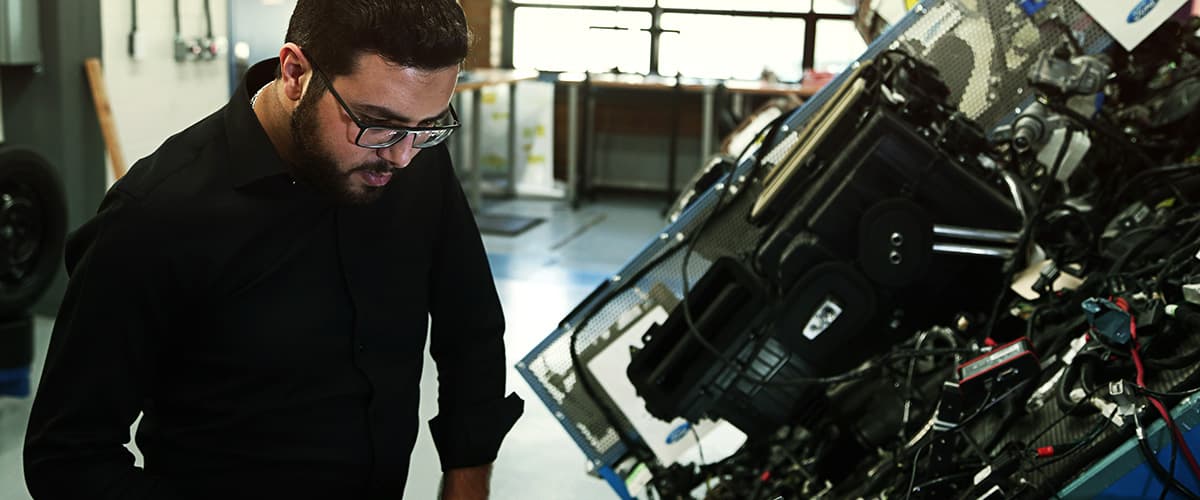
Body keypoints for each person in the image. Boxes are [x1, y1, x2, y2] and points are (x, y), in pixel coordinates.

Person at [23, 1, 522, 498]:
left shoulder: (409, 157)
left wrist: (467, 477)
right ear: (295, 73)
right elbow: (67, 457)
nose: (401, 155)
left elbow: (469, 323)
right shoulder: (155, 218)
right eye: (375, 123)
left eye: (428, 126)